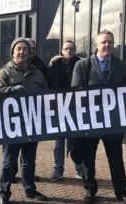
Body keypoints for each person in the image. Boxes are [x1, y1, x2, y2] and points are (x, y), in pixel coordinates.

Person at [71, 30, 126, 204]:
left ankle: (121, 192)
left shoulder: (121, 66)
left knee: (116, 158)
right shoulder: (83, 65)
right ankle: (90, 189)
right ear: (97, 45)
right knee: (88, 157)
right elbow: (76, 92)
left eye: (110, 42)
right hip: (91, 121)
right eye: (103, 42)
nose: (107, 45)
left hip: (113, 122)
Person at [0, 38, 49, 204]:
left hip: (32, 123)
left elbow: (46, 94)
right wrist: (11, 89)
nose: (22, 52)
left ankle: (30, 190)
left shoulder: (37, 73)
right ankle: (3, 193)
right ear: (13, 51)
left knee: (29, 160)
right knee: (9, 161)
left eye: (25, 49)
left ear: (30, 52)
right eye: (19, 49)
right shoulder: (5, 72)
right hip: (12, 125)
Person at [47, 40, 84, 181]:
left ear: (75, 50)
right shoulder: (55, 65)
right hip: (59, 109)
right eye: (66, 49)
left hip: (76, 109)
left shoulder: (80, 64)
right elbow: (48, 82)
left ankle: (79, 170)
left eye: (71, 48)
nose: (69, 51)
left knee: (76, 141)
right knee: (59, 142)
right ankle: (58, 170)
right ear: (62, 51)